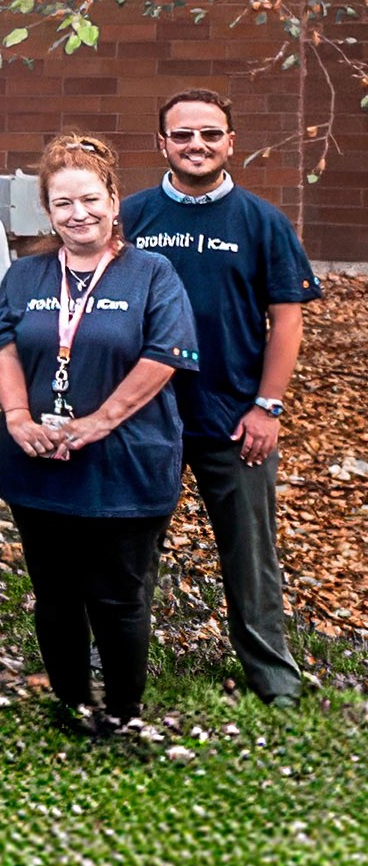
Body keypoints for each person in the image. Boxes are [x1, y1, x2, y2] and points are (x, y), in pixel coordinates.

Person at [0, 134, 199, 741]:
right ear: (47, 212)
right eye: (62, 204)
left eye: (89, 200)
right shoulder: (26, 273)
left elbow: (164, 357)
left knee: (118, 594)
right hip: (38, 461)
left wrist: (96, 424)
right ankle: (73, 704)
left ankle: (123, 712)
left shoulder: (151, 273)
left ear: (113, 200)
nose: (78, 214)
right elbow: (3, 344)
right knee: (54, 592)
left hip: (125, 463)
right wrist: (18, 417)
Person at [124, 91, 316, 707]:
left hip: (234, 419)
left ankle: (273, 678)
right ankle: (116, 665)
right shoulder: (130, 218)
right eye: (183, 135)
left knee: (251, 553)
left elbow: (286, 322)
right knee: (127, 549)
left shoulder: (262, 222)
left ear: (231, 142)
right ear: (163, 144)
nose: (197, 145)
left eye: (210, 134)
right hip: (146, 419)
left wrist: (268, 406)